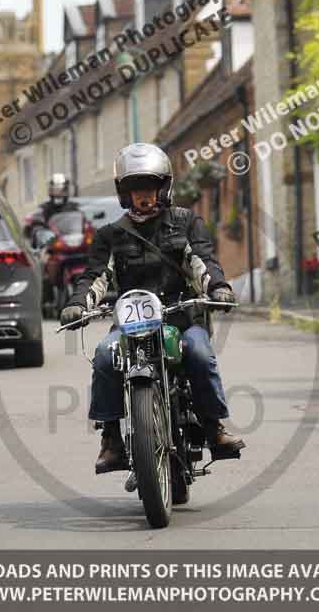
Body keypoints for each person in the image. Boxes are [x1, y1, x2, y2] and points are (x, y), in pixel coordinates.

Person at [61, 143, 244, 474]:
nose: (143, 196)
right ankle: (112, 439)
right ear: (124, 194)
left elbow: (202, 260)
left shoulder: (186, 222)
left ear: (164, 188)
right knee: (105, 355)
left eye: (149, 188)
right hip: (131, 321)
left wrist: (218, 287)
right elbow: (96, 276)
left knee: (200, 355)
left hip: (181, 316)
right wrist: (77, 304)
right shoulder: (110, 235)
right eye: (134, 189)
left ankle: (214, 427)